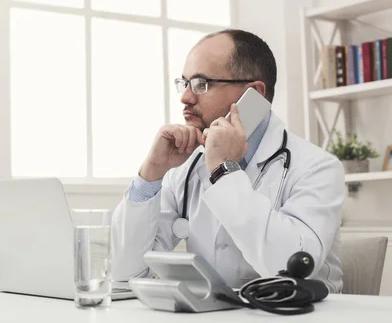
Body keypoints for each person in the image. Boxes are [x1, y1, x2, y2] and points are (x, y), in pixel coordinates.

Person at [110, 29, 344, 293]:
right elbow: (125, 275)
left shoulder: (317, 167)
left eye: (201, 83)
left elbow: (291, 270)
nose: (185, 97)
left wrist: (224, 171)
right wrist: (151, 174)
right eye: (184, 83)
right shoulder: (183, 171)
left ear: (253, 94)